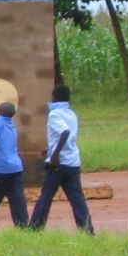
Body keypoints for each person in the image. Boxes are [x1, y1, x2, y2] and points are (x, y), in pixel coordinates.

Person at [28, 85, 94, 234]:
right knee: (77, 199)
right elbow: (67, 137)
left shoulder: (55, 114)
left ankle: (34, 229)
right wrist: (49, 149)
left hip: (59, 164)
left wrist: (55, 154)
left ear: (54, 97)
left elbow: (64, 132)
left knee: (46, 197)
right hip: (72, 163)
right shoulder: (71, 114)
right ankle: (87, 231)